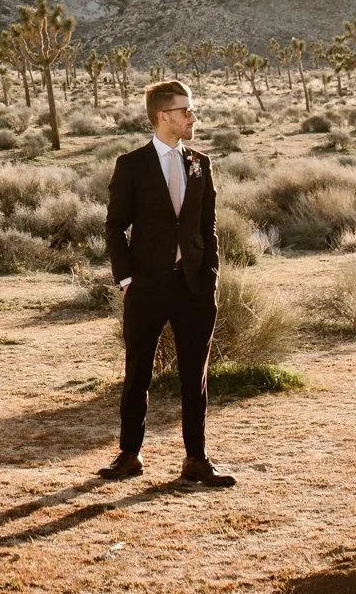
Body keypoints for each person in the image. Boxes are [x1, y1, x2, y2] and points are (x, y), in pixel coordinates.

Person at [98, 78, 235, 487]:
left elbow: (207, 225)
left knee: (195, 375)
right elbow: (115, 226)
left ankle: (196, 459)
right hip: (146, 287)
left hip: (194, 286)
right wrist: (125, 279)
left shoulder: (201, 162)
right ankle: (129, 455)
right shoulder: (132, 164)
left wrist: (211, 276)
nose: (194, 117)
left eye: (192, 110)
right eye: (186, 111)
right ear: (163, 116)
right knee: (138, 371)